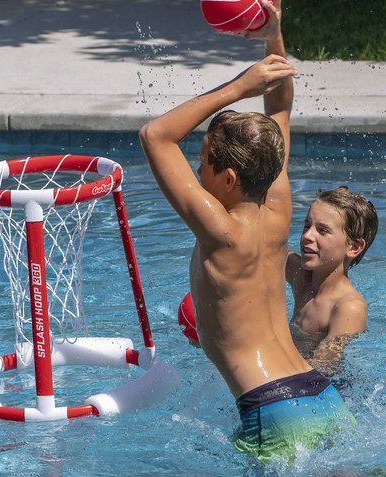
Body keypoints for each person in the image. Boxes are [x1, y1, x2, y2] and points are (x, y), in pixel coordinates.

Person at [139, 0, 354, 461]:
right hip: (322, 396)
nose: (196, 175)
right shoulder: (276, 205)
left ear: (229, 180)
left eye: (201, 166)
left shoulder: (221, 229)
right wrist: (272, 37)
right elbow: (279, 104)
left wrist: (238, 87)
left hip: (273, 408)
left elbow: (155, 135)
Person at [286, 186, 378, 370]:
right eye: (307, 225)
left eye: (322, 230)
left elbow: (324, 365)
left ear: (354, 247)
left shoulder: (348, 307)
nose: (307, 236)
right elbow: (263, 244)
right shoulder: (300, 276)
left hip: (332, 387)